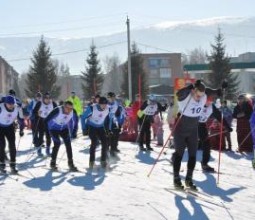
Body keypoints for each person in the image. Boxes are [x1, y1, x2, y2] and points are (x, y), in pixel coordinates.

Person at [172, 80, 207, 190]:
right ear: (193, 91)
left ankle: (189, 179)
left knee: (193, 155)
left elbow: (211, 92)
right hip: (180, 130)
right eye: (197, 95)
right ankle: (176, 178)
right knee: (179, 154)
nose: (199, 98)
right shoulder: (185, 98)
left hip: (193, 131)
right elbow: (178, 94)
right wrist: (190, 86)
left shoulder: (204, 97)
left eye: (201, 96)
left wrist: (221, 89)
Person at [198, 95, 232, 172]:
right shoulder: (198, 103)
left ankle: (204, 164)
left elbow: (219, 117)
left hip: (201, 125)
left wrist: (227, 126)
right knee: (186, 142)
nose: (209, 103)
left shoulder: (212, 106)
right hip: (191, 124)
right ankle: (175, 157)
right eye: (207, 101)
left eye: (210, 101)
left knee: (207, 144)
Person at [45, 101, 78, 171]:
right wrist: (47, 131)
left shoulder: (72, 112)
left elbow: (74, 122)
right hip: (53, 129)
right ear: (64, 106)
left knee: (68, 144)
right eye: (67, 108)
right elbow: (46, 120)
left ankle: (70, 163)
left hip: (64, 128)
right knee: (57, 143)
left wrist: (73, 132)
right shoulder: (57, 110)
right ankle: (53, 163)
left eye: (71, 109)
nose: (69, 110)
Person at [81, 97, 111, 169]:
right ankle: (91, 161)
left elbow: (108, 119)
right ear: (99, 104)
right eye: (102, 104)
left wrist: (108, 129)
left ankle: (103, 160)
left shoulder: (108, 109)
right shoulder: (92, 108)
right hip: (92, 127)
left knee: (105, 143)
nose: (104, 106)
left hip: (100, 127)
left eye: (105, 104)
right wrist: (84, 128)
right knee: (94, 143)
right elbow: (83, 117)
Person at [0, 96, 24, 174]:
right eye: (9, 104)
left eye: (12, 104)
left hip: (9, 127)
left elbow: (21, 119)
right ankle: (2, 164)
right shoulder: (1, 107)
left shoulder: (17, 108)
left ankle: (13, 164)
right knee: (1, 145)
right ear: (5, 103)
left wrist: (21, 130)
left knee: (12, 145)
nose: (11, 105)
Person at [33, 92, 57, 156]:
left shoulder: (53, 103)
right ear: (43, 98)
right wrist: (37, 113)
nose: (47, 99)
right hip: (41, 121)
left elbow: (57, 111)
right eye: (46, 98)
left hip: (49, 121)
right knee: (41, 136)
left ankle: (48, 150)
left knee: (48, 136)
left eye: (49, 98)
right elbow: (34, 112)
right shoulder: (39, 103)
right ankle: (39, 150)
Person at [107, 92, 126, 157]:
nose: (112, 99)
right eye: (110, 97)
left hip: (116, 122)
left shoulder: (117, 104)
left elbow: (122, 112)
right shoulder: (105, 104)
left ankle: (114, 149)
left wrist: (122, 120)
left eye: (113, 97)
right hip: (108, 123)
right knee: (109, 137)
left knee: (116, 136)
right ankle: (108, 149)